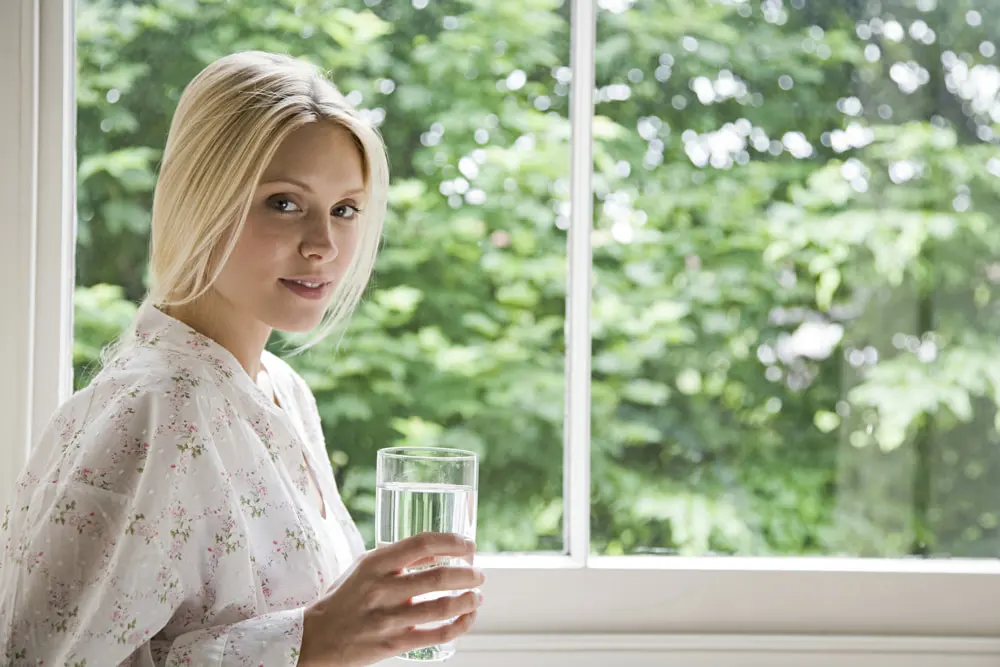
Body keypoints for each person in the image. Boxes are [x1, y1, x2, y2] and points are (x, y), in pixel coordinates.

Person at [0, 50, 484, 667]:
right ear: (203, 198)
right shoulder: (155, 411)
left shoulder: (281, 390)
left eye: (345, 210)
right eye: (284, 202)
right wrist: (309, 641)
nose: (324, 245)